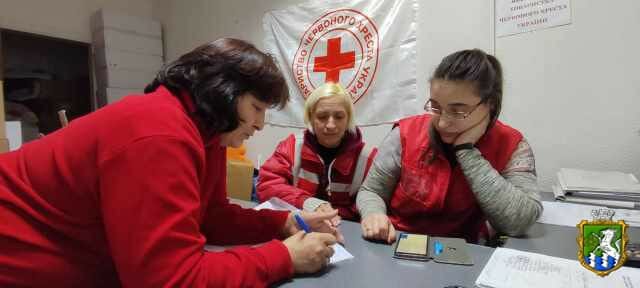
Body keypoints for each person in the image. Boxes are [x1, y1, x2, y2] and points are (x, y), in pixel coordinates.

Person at [0, 38, 342, 287]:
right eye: (256, 108)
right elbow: (169, 280)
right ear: (223, 92)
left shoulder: (206, 134)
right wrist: (283, 258)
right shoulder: (160, 134)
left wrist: (283, 222)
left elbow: (209, 216)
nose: (260, 125)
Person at [356, 49, 542, 244]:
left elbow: (520, 221)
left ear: (490, 105)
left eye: (458, 111)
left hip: (466, 252)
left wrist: (466, 151)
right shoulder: (405, 134)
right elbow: (371, 190)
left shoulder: (512, 145)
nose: (443, 123)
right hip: (398, 243)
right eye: (435, 107)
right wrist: (373, 214)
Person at [257, 82, 377, 223]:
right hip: (300, 227)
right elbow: (266, 185)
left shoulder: (369, 157)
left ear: (348, 119)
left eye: (339, 117)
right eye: (322, 117)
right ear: (310, 119)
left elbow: (378, 201)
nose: (331, 125)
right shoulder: (293, 146)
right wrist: (306, 202)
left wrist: (334, 214)